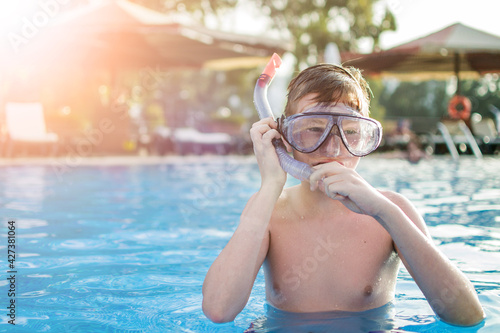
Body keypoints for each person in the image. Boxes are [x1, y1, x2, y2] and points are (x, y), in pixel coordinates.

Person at [202, 64, 485, 327]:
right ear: (285, 136)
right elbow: (218, 310)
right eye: (313, 128)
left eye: (350, 131)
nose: (334, 147)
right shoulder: (267, 210)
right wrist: (270, 185)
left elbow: (468, 317)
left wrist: (385, 213)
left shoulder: (392, 210)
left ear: (365, 137)